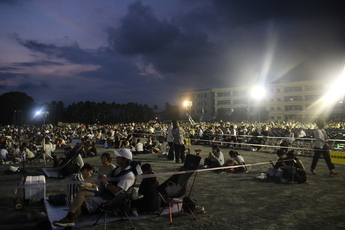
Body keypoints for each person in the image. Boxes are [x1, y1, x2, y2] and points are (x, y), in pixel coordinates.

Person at [53, 148, 136, 227]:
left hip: (110, 199)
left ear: (125, 159)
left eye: (119, 157)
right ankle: (70, 218)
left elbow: (117, 191)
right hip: (105, 193)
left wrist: (105, 183)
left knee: (79, 201)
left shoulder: (129, 175)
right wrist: (104, 179)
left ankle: (70, 220)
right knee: (81, 191)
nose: (116, 158)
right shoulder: (119, 169)